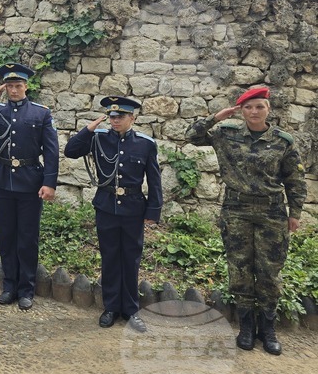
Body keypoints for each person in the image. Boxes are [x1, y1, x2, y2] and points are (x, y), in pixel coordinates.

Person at [186, 86, 306, 355]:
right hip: (236, 210)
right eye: (248, 107)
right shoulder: (225, 134)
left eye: (259, 106)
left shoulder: (283, 141)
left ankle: (268, 329)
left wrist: (295, 213)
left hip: (272, 213)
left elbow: (295, 180)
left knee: (269, 272)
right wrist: (216, 117)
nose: (254, 112)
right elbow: (192, 136)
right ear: (240, 110)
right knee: (239, 269)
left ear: (269, 109)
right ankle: (246, 328)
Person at [65, 96, 162, 333]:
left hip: (133, 208)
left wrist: (153, 211)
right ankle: (110, 307)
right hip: (107, 205)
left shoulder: (145, 143)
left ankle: (130, 309)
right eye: (112, 116)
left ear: (133, 118)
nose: (115, 120)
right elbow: (70, 151)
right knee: (109, 257)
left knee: (130, 259)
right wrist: (88, 129)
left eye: (120, 117)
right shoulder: (97, 138)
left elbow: (154, 179)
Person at [0, 63, 58, 310]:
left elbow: (51, 151)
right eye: (10, 86)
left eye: (18, 86)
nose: (14, 90)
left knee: (27, 238)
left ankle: (26, 289)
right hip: (2, 181)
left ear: (26, 87)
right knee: (6, 236)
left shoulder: (41, 113)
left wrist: (49, 183)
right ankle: (9, 286)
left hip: (30, 182)